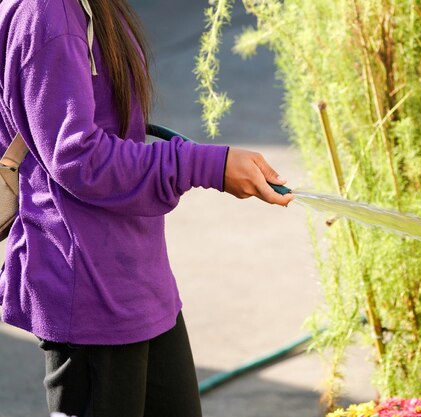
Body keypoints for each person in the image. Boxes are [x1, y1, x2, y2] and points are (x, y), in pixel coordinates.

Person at [0, 0, 295, 415]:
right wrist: (206, 165)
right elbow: (78, 159)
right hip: (89, 290)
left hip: (138, 279)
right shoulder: (47, 12)